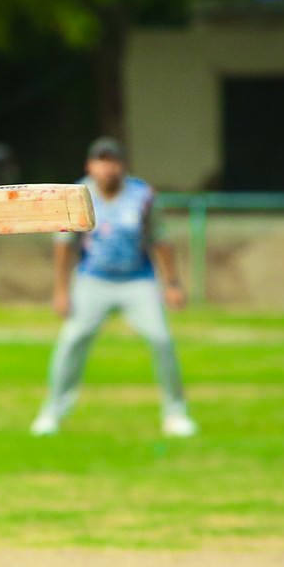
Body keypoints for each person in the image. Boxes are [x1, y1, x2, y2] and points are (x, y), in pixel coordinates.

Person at [31, 137, 197, 439]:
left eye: (113, 161)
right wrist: (61, 290)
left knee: (161, 339)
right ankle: (52, 412)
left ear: (123, 165)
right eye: (101, 161)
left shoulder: (142, 196)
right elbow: (64, 244)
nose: (108, 168)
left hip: (137, 280)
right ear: (90, 165)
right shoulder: (78, 194)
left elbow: (159, 240)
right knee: (71, 342)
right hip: (92, 279)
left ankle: (176, 414)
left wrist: (172, 283)